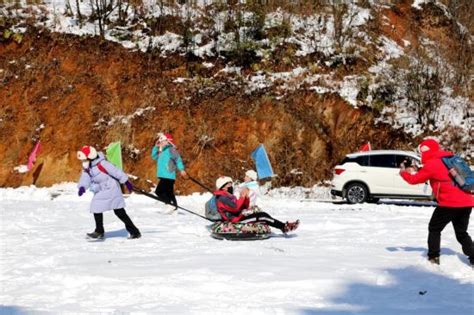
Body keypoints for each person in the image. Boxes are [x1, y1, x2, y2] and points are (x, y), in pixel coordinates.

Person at [399, 138, 474, 266]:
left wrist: (403, 172)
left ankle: (433, 257)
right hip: (467, 202)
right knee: (461, 233)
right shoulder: (449, 159)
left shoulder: (432, 164)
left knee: (434, 228)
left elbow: (414, 179)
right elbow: (437, 174)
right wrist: (419, 169)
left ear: (424, 151)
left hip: (449, 204)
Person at [77, 145, 141, 240]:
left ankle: (135, 232)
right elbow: (85, 178)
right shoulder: (87, 167)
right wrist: (82, 187)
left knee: (119, 212)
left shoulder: (103, 164)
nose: (83, 161)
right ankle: (99, 231)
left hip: (112, 189)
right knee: (96, 207)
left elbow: (116, 172)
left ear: (90, 157)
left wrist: (126, 182)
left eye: (84, 159)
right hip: (101, 190)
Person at [214, 176, 299, 233]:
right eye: (229, 184)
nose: (231, 186)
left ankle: (283, 226)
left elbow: (243, 206)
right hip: (235, 220)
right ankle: (283, 227)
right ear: (224, 187)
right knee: (263, 216)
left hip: (239, 216)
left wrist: (246, 197)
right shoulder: (222, 198)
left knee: (260, 213)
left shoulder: (228, 196)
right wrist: (242, 196)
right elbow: (235, 207)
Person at [151, 133, 187, 211]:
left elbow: (178, 159)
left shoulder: (171, 149)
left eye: (162, 141)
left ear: (168, 141)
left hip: (169, 175)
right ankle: (174, 207)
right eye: (160, 141)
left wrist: (181, 169)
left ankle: (169, 204)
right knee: (169, 193)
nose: (161, 143)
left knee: (159, 191)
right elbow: (154, 157)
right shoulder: (161, 151)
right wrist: (156, 147)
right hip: (163, 175)